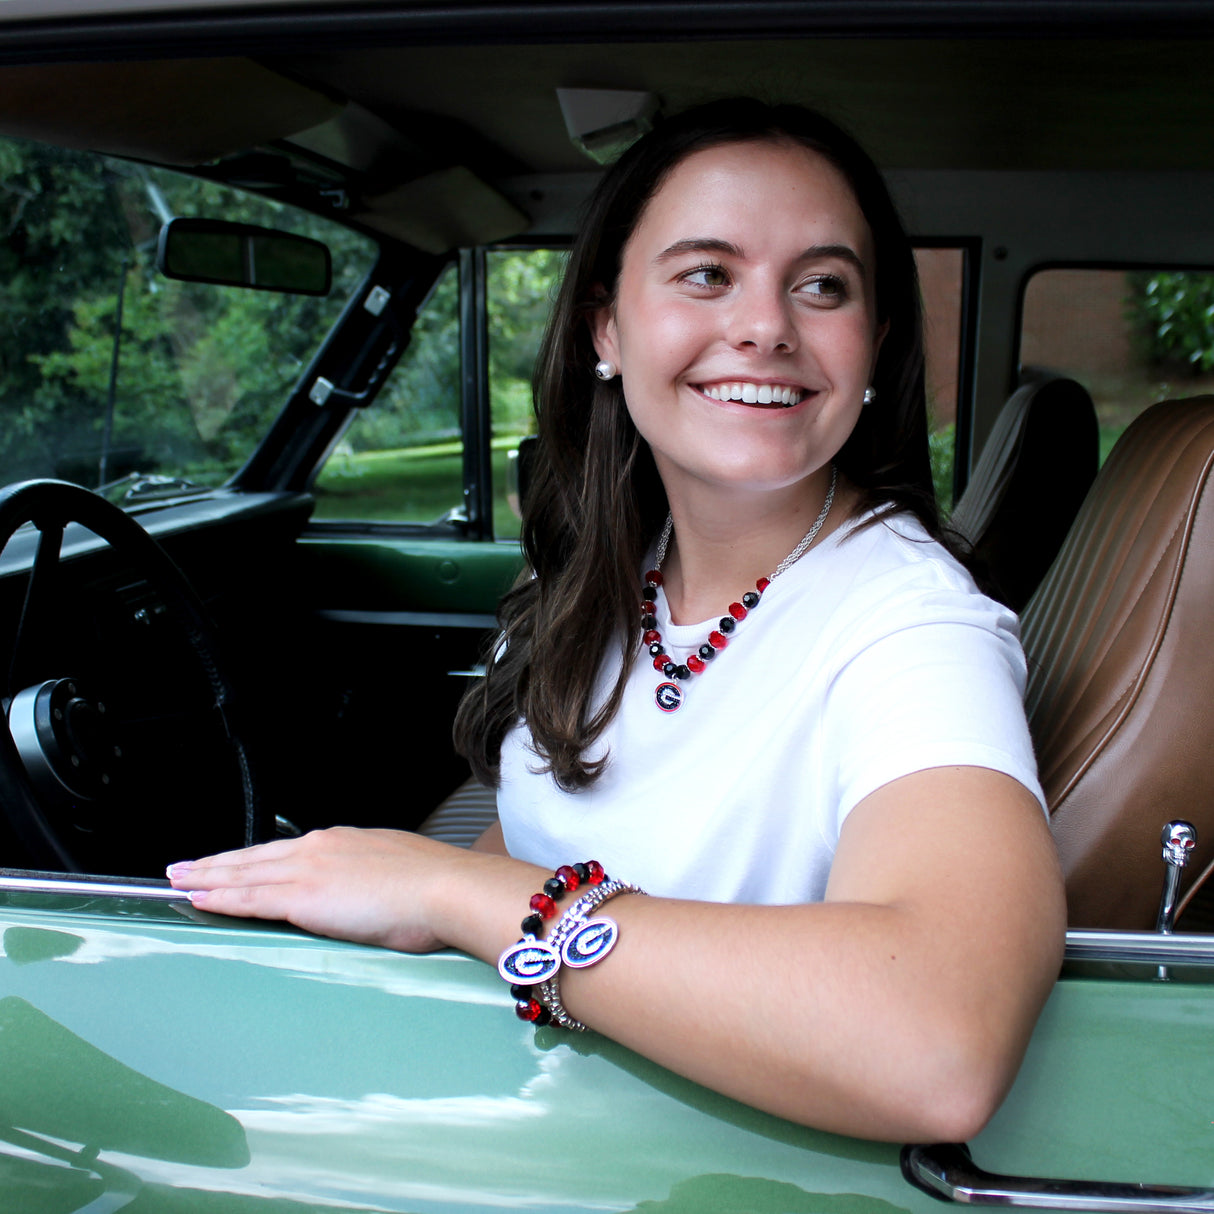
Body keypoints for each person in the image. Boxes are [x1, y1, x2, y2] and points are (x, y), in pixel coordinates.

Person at [168, 99, 1065, 1143]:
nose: (765, 325)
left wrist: (445, 885)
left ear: (869, 347)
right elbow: (536, 834)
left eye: (820, 285)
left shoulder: (915, 627)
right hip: (530, 1116)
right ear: (605, 326)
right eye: (705, 274)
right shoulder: (608, 569)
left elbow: (934, 1043)